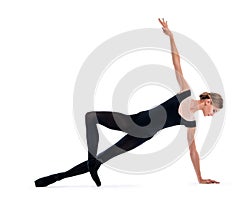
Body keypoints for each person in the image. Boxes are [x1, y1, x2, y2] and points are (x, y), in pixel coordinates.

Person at [34, 18, 223, 187]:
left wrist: (200, 177)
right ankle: (92, 163)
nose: (212, 115)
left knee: (102, 155)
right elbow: (177, 63)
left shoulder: (191, 123)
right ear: (207, 101)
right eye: (213, 110)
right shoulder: (185, 92)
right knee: (91, 118)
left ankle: (59, 177)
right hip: (134, 121)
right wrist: (171, 37)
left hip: (143, 135)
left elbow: (193, 152)